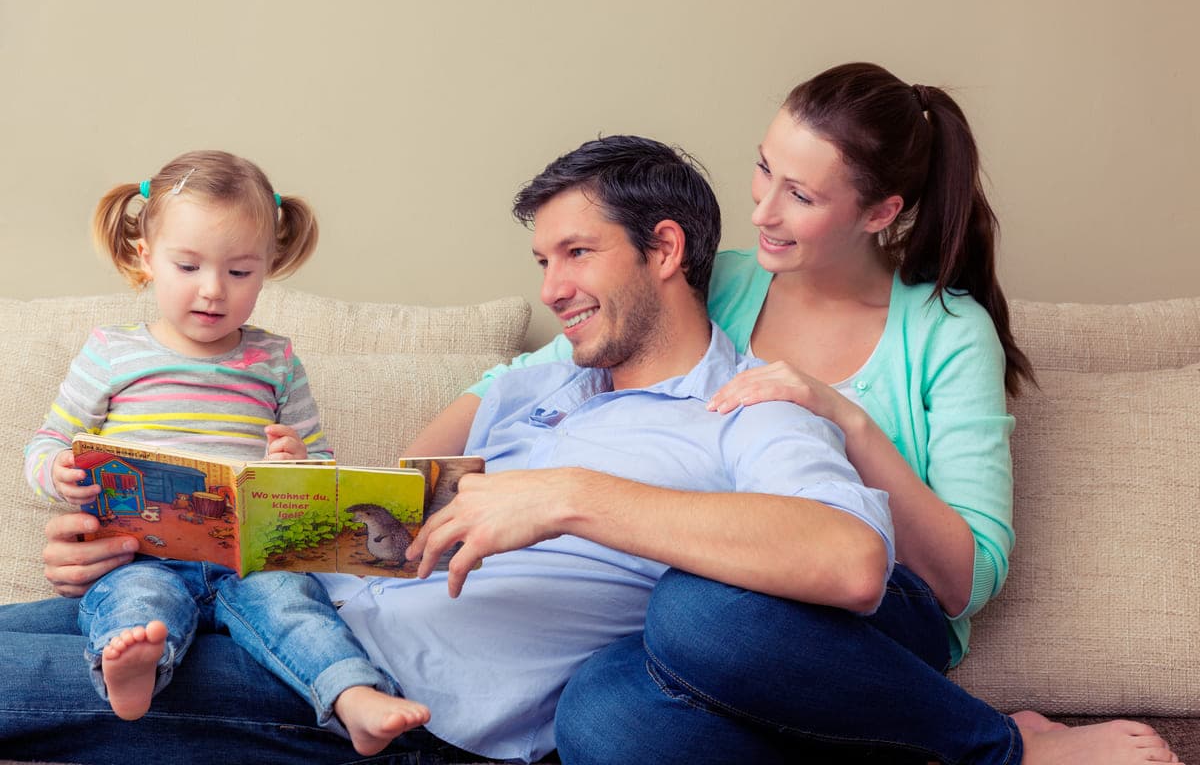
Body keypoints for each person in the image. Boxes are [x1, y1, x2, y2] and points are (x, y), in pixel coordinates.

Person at [0, 135, 894, 765]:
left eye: (576, 254)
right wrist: (137, 530)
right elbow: (364, 508)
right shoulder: (535, 382)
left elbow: (851, 562)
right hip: (295, 605)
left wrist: (571, 496)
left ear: (664, 248)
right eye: (543, 261)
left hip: (386, 698)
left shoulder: (748, 407)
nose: (553, 291)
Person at [407, 63, 1181, 765]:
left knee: (700, 611)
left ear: (880, 213)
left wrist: (846, 419)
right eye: (764, 169)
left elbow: (962, 581)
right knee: (600, 720)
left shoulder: (946, 331)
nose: (765, 212)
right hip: (720, 579)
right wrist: (400, 490)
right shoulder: (726, 285)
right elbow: (524, 376)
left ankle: (998, 748)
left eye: (801, 196)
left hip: (863, 619)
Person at [21, 150, 429, 755]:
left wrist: (299, 464)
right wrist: (58, 472)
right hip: (142, 553)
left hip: (252, 561)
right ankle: (133, 669)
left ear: (269, 266)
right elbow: (47, 444)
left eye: (240, 273)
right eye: (188, 266)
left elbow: (321, 467)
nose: (213, 291)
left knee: (297, 609)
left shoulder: (276, 360)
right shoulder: (112, 353)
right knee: (138, 606)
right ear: (146, 258)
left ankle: (354, 696)